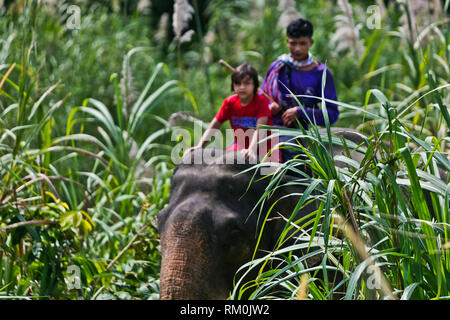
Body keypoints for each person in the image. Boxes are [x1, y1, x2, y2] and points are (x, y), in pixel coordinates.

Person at [261, 18, 339, 161]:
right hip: (269, 127)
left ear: (311, 42)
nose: (297, 48)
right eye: (293, 43)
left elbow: (332, 114)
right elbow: (260, 99)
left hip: (299, 133)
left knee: (289, 160)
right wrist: (268, 107)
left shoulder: (321, 73)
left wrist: (301, 112)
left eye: (302, 43)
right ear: (287, 41)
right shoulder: (277, 67)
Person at [185, 63, 281, 163]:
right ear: (233, 85)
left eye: (247, 83)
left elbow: (260, 129)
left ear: (255, 85)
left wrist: (251, 150)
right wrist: (200, 145)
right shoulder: (230, 103)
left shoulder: (262, 102)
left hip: (265, 146)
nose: (242, 87)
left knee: (271, 171)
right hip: (240, 145)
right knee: (222, 164)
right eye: (238, 83)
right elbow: (215, 124)